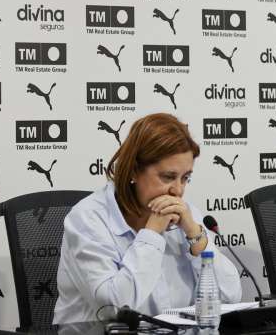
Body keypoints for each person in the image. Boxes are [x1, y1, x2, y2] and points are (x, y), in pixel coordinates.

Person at [54, 113, 242, 323]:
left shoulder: (186, 215)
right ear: (134, 170)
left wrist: (195, 235)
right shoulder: (87, 219)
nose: (178, 190)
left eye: (185, 178)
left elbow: (230, 295)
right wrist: (151, 234)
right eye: (168, 177)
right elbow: (113, 309)